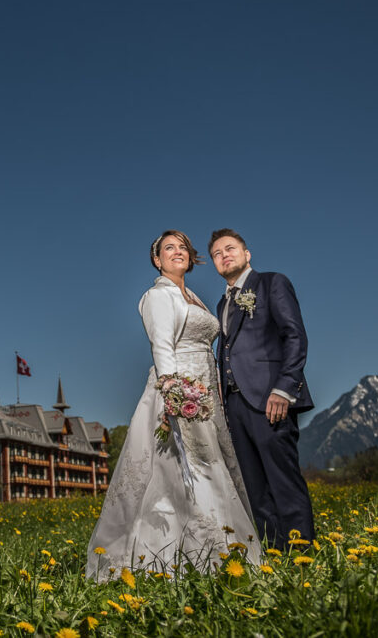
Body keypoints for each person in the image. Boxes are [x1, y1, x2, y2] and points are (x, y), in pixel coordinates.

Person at [86, 230, 260, 582]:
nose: (177, 252)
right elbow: (162, 345)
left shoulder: (192, 297)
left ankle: (221, 549)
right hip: (182, 391)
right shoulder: (157, 295)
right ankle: (178, 557)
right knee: (183, 470)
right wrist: (173, 393)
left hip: (207, 389)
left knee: (210, 466)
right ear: (157, 260)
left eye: (183, 247)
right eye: (169, 248)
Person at [209, 228, 315, 550]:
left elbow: (294, 335)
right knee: (255, 487)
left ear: (247, 254)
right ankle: (274, 553)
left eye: (230, 248)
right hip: (235, 406)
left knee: (283, 479)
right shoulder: (221, 304)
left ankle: (302, 554)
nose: (224, 255)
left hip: (270, 399)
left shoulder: (271, 283)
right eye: (217, 253)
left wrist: (284, 389)